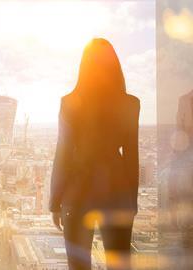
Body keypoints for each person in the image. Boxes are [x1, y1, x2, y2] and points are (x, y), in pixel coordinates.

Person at [50, 38, 140, 270]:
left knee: (78, 266)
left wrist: (54, 203)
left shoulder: (69, 102)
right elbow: (131, 156)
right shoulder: (130, 104)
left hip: (77, 191)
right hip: (118, 191)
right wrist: (132, 201)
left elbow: (63, 154)